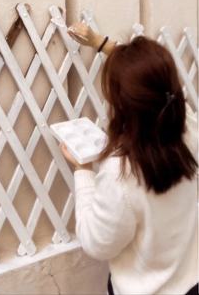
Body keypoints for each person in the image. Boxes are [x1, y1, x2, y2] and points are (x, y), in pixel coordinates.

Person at [63, 23, 198, 295]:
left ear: (122, 106)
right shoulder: (187, 129)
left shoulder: (120, 174)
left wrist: (83, 170)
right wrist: (101, 43)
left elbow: (96, 242)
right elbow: (152, 85)